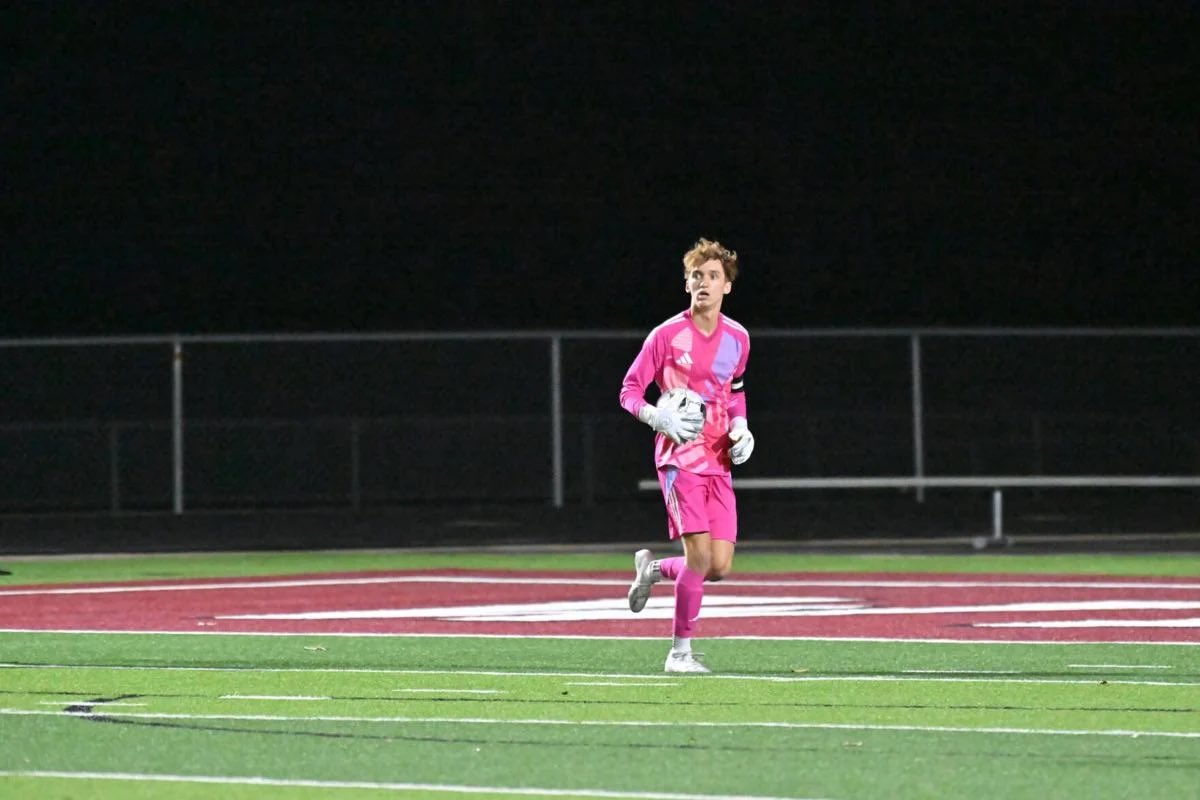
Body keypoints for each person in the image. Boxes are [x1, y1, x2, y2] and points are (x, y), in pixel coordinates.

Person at [618, 237, 754, 673]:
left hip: (719, 460)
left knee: (718, 566)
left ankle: (653, 569)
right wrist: (657, 417)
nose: (704, 283)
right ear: (687, 283)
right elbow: (629, 390)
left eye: (713, 276)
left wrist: (741, 427)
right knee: (698, 558)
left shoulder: (738, 338)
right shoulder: (666, 336)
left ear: (727, 285)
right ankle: (679, 654)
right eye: (697, 275)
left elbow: (735, 392)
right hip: (679, 459)